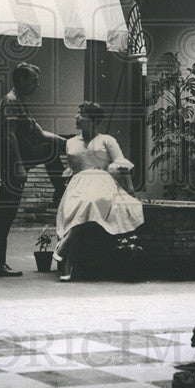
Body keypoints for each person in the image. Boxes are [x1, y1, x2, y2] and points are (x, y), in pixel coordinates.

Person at [0, 62, 67, 277]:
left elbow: (40, 134)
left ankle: (60, 189)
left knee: (51, 147)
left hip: (19, 161)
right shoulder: (11, 102)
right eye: (33, 81)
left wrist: (69, 144)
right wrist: (20, 166)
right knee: (5, 213)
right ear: (21, 80)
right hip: (12, 164)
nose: (36, 85)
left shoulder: (19, 102)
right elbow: (9, 135)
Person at [54, 101, 144, 281]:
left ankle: (65, 253)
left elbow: (121, 165)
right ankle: (67, 258)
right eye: (77, 113)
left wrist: (131, 192)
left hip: (102, 183)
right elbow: (71, 169)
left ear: (94, 120)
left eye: (82, 114)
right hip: (78, 184)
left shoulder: (107, 140)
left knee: (91, 201)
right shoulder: (71, 143)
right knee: (78, 204)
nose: (76, 117)